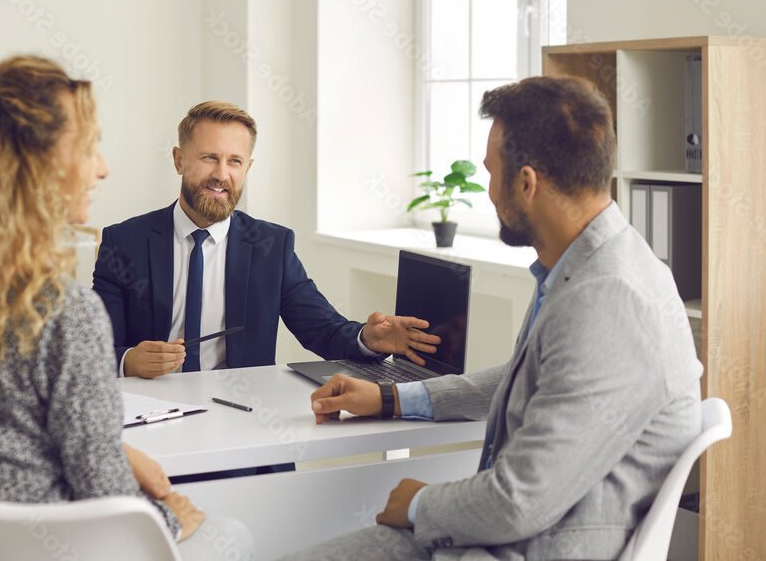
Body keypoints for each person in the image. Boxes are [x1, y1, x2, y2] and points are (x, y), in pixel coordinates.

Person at [283, 76, 704, 560]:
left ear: (526, 183)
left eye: (491, 172)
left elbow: (519, 501)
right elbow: (529, 376)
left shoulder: (608, 296)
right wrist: (391, 398)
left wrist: (420, 504)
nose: (487, 191)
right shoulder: (587, 264)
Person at [0, 56, 253, 559]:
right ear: (39, 166)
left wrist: (111, 448)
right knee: (235, 535)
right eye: (88, 148)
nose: (102, 167)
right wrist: (171, 516)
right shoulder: (64, 312)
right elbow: (107, 496)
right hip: (59, 548)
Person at [93, 100, 440, 380]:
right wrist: (130, 361)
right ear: (179, 160)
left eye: (235, 161)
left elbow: (324, 330)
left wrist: (368, 338)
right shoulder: (124, 242)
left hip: (244, 412)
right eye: (209, 157)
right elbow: (94, 352)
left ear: (248, 168)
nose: (221, 174)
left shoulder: (271, 246)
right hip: (151, 412)